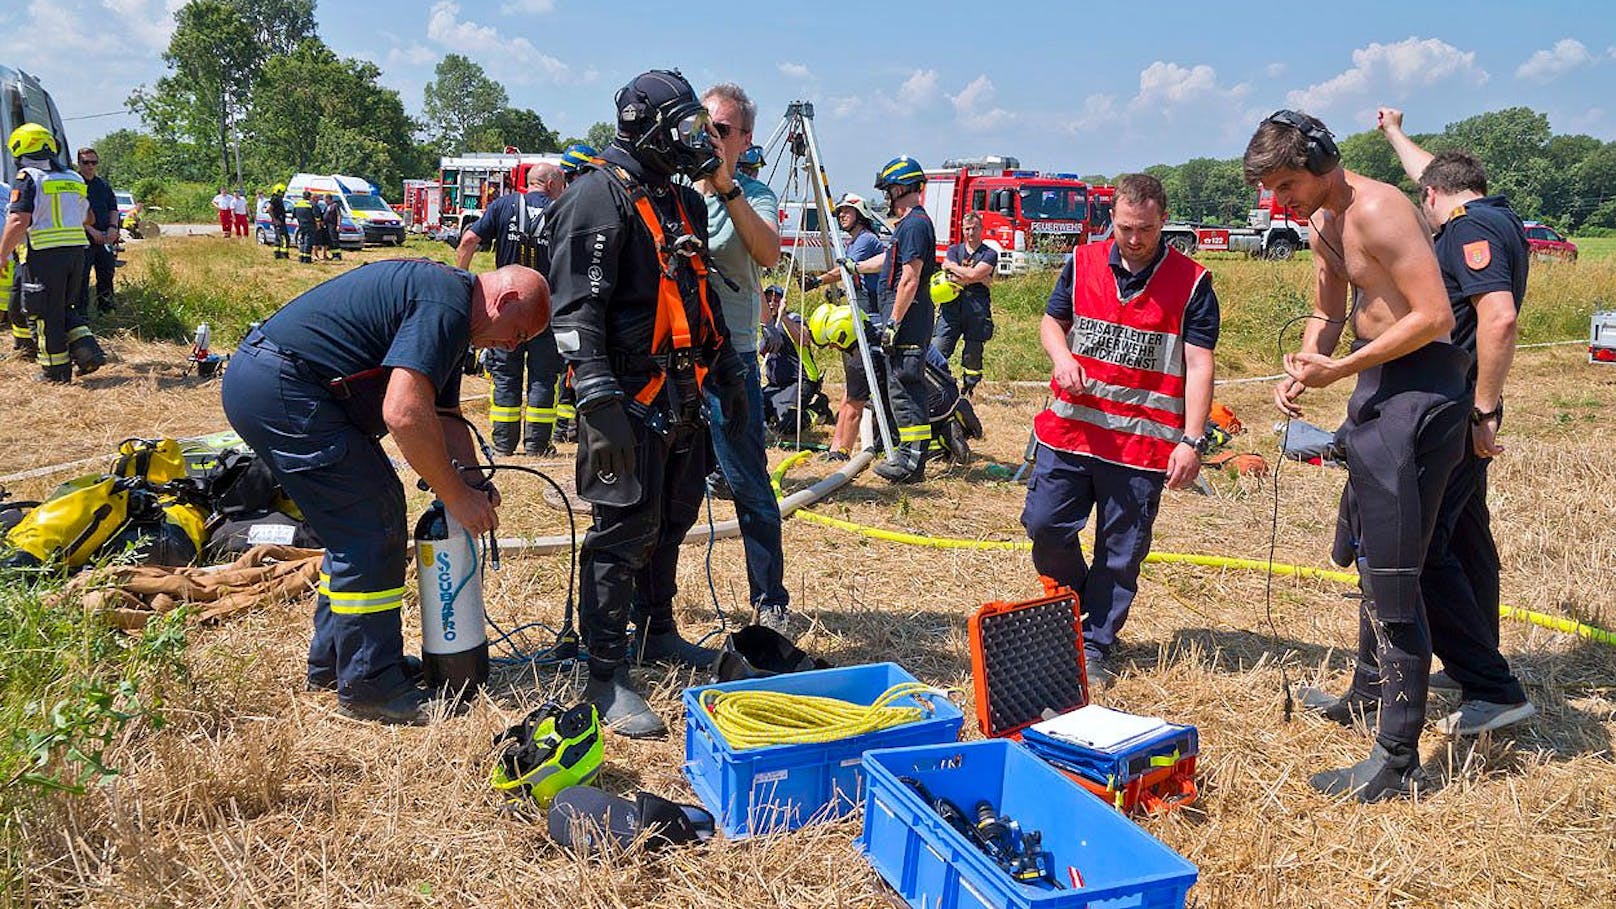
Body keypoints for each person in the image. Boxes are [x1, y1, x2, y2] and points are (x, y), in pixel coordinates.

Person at [220, 259, 550, 724]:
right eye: (517, 334)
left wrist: (474, 481)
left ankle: (337, 664)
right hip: (281, 386)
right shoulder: (446, 305)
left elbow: (444, 414)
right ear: (506, 299)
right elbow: (404, 413)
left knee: (352, 525)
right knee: (371, 522)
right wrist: (455, 496)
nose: (511, 347)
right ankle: (371, 685)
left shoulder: (453, 315)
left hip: (273, 382)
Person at [1246, 110, 1467, 802]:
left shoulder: (1381, 209)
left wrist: (1338, 373)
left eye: (1287, 185)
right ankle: (1367, 694)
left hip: (1424, 389)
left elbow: (1436, 316)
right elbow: (1331, 308)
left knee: (1395, 572)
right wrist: (1311, 360)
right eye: (1273, 192)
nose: (1281, 202)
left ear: (1320, 159)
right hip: (1377, 383)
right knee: (1366, 545)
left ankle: (1399, 757)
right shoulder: (1321, 222)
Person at [544, 69, 749, 738]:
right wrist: (598, 399)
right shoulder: (595, 198)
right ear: (647, 127)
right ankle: (602, 675)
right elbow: (575, 311)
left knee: (672, 520)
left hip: (683, 393)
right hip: (628, 396)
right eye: (686, 127)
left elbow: (701, 296)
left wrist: (727, 378)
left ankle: (656, 631)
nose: (698, 141)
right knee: (621, 531)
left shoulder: (679, 201)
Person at [1020, 173, 1217, 690]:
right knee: (1044, 524)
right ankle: (1077, 609)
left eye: (1146, 229)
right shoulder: (1082, 262)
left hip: (1141, 445)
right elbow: (1050, 321)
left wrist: (1192, 439)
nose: (1135, 239)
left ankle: (1094, 641)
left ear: (1162, 221)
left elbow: (1199, 365)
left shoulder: (1193, 283)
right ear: (1112, 219)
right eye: (1127, 227)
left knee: (1120, 550)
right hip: (1071, 432)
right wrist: (1061, 357)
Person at [1376, 107, 1535, 736]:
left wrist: (1484, 411)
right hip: (1467, 408)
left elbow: (1497, 318)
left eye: (1426, 203)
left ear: (1435, 199)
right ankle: (1478, 657)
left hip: (1461, 411)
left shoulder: (1471, 232)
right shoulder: (1495, 214)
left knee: (1428, 546)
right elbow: (1429, 174)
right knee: (1469, 536)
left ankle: (1492, 687)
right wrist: (1393, 132)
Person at [696, 81, 791, 633]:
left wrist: (726, 187)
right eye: (705, 127)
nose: (712, 137)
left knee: (747, 480)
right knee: (670, 485)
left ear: (745, 138)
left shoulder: (752, 194)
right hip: (675, 355)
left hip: (730, 354)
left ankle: (770, 599)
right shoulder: (675, 192)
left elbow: (770, 252)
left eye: (724, 130)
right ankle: (653, 609)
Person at [458, 161, 567, 455]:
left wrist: (463, 281)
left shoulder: (503, 205)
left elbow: (469, 239)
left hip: (504, 307)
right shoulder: (563, 211)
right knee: (544, 376)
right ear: (552, 184)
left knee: (505, 374)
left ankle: (504, 445)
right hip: (546, 309)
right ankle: (537, 446)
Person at [1, 124, 108, 383]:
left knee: (43, 313)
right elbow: (89, 216)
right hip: (75, 255)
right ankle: (87, 351)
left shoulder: (29, 177)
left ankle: (55, 372)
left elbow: (18, 220)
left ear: (19, 149)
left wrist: (2, 254)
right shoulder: (73, 178)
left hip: (44, 257)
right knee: (62, 306)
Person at [870, 155, 939, 483]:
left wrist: (893, 323)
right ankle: (909, 456)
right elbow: (889, 262)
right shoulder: (911, 226)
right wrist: (853, 267)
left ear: (900, 188)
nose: (887, 197)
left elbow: (909, 278)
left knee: (905, 388)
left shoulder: (913, 225)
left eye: (888, 190)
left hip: (907, 322)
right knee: (903, 386)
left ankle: (910, 463)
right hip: (906, 319)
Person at [806, 193, 887, 461]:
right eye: (839, 212)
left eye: (847, 212)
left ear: (861, 214)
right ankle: (837, 447)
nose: (842, 215)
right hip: (859, 322)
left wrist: (817, 282)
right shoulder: (856, 240)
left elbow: (845, 270)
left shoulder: (864, 240)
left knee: (857, 392)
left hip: (870, 324)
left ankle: (842, 450)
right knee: (852, 390)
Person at [933, 211, 998, 395]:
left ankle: (969, 388)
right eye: (967, 229)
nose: (970, 233)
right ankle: (938, 385)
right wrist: (977, 276)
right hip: (950, 309)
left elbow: (972, 274)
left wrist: (956, 270)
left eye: (974, 228)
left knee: (973, 353)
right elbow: (971, 276)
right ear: (962, 230)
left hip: (976, 310)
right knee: (939, 347)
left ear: (981, 229)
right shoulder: (954, 250)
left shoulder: (990, 253)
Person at [759, 283, 832, 435]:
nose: (772, 303)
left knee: (787, 424)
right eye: (768, 300)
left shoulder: (793, 318)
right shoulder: (767, 325)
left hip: (800, 381)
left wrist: (783, 316)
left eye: (776, 300)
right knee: (756, 411)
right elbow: (763, 352)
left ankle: (817, 410)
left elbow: (804, 339)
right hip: (776, 385)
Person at [74, 146, 118, 318]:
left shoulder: (103, 185)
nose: (90, 166)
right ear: (79, 163)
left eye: (94, 162)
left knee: (107, 274)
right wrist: (92, 231)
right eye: (86, 162)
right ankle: (80, 314)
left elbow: (112, 209)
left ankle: (106, 309)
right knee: (81, 278)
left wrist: (112, 229)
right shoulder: (75, 184)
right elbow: (73, 213)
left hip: (105, 238)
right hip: (83, 238)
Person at [292, 190, 316, 264]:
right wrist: (317, 225)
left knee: (302, 241)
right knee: (308, 242)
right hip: (310, 225)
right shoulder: (311, 204)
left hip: (301, 225)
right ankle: (307, 259)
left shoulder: (297, 204)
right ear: (309, 197)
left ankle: (301, 257)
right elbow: (316, 216)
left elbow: (294, 215)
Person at [268, 183, 291, 259]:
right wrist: (275, 220)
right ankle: (284, 254)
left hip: (280, 221)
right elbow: (269, 209)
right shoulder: (275, 199)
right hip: (279, 222)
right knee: (285, 238)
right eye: (283, 192)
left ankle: (277, 254)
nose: (284, 194)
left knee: (277, 239)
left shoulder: (278, 199)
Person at [322, 193, 343, 261]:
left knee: (334, 240)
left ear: (328, 198)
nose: (324, 200)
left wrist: (338, 225)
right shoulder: (327, 206)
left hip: (333, 225)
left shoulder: (335, 205)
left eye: (324, 199)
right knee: (330, 240)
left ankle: (337, 255)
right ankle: (333, 255)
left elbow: (338, 215)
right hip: (327, 226)